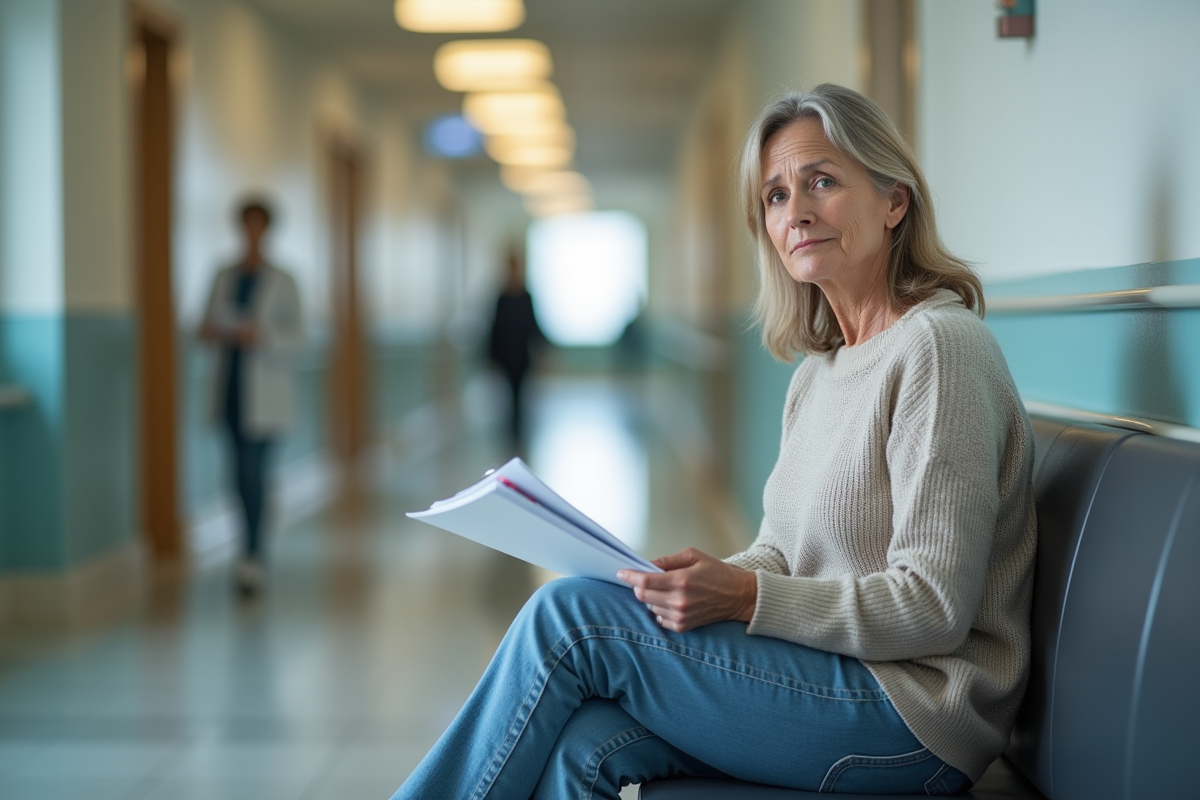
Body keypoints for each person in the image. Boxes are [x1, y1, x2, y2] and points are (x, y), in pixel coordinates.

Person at [392, 84, 1036, 798]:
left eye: (822, 180)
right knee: (584, 744)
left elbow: (933, 607)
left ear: (894, 202)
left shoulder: (940, 349)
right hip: (832, 676)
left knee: (566, 614)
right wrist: (697, 584)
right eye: (775, 196)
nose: (797, 212)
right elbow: (785, 552)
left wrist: (745, 596)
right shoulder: (819, 372)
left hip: (914, 718)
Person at [199, 197, 303, 596]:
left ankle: (253, 555)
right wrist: (214, 330)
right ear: (240, 228)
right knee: (235, 477)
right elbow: (203, 324)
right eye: (247, 225)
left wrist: (261, 335)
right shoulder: (223, 275)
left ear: (268, 230)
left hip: (268, 393)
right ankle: (248, 550)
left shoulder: (284, 279)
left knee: (254, 475)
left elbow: (299, 337)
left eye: (259, 225)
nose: (252, 233)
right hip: (230, 391)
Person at [487, 248, 545, 449]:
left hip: (522, 356)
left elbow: (533, 324)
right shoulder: (501, 297)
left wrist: (544, 347)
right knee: (508, 394)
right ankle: (510, 431)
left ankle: (519, 431)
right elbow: (494, 328)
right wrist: (491, 357)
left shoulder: (526, 297)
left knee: (521, 394)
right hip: (505, 355)